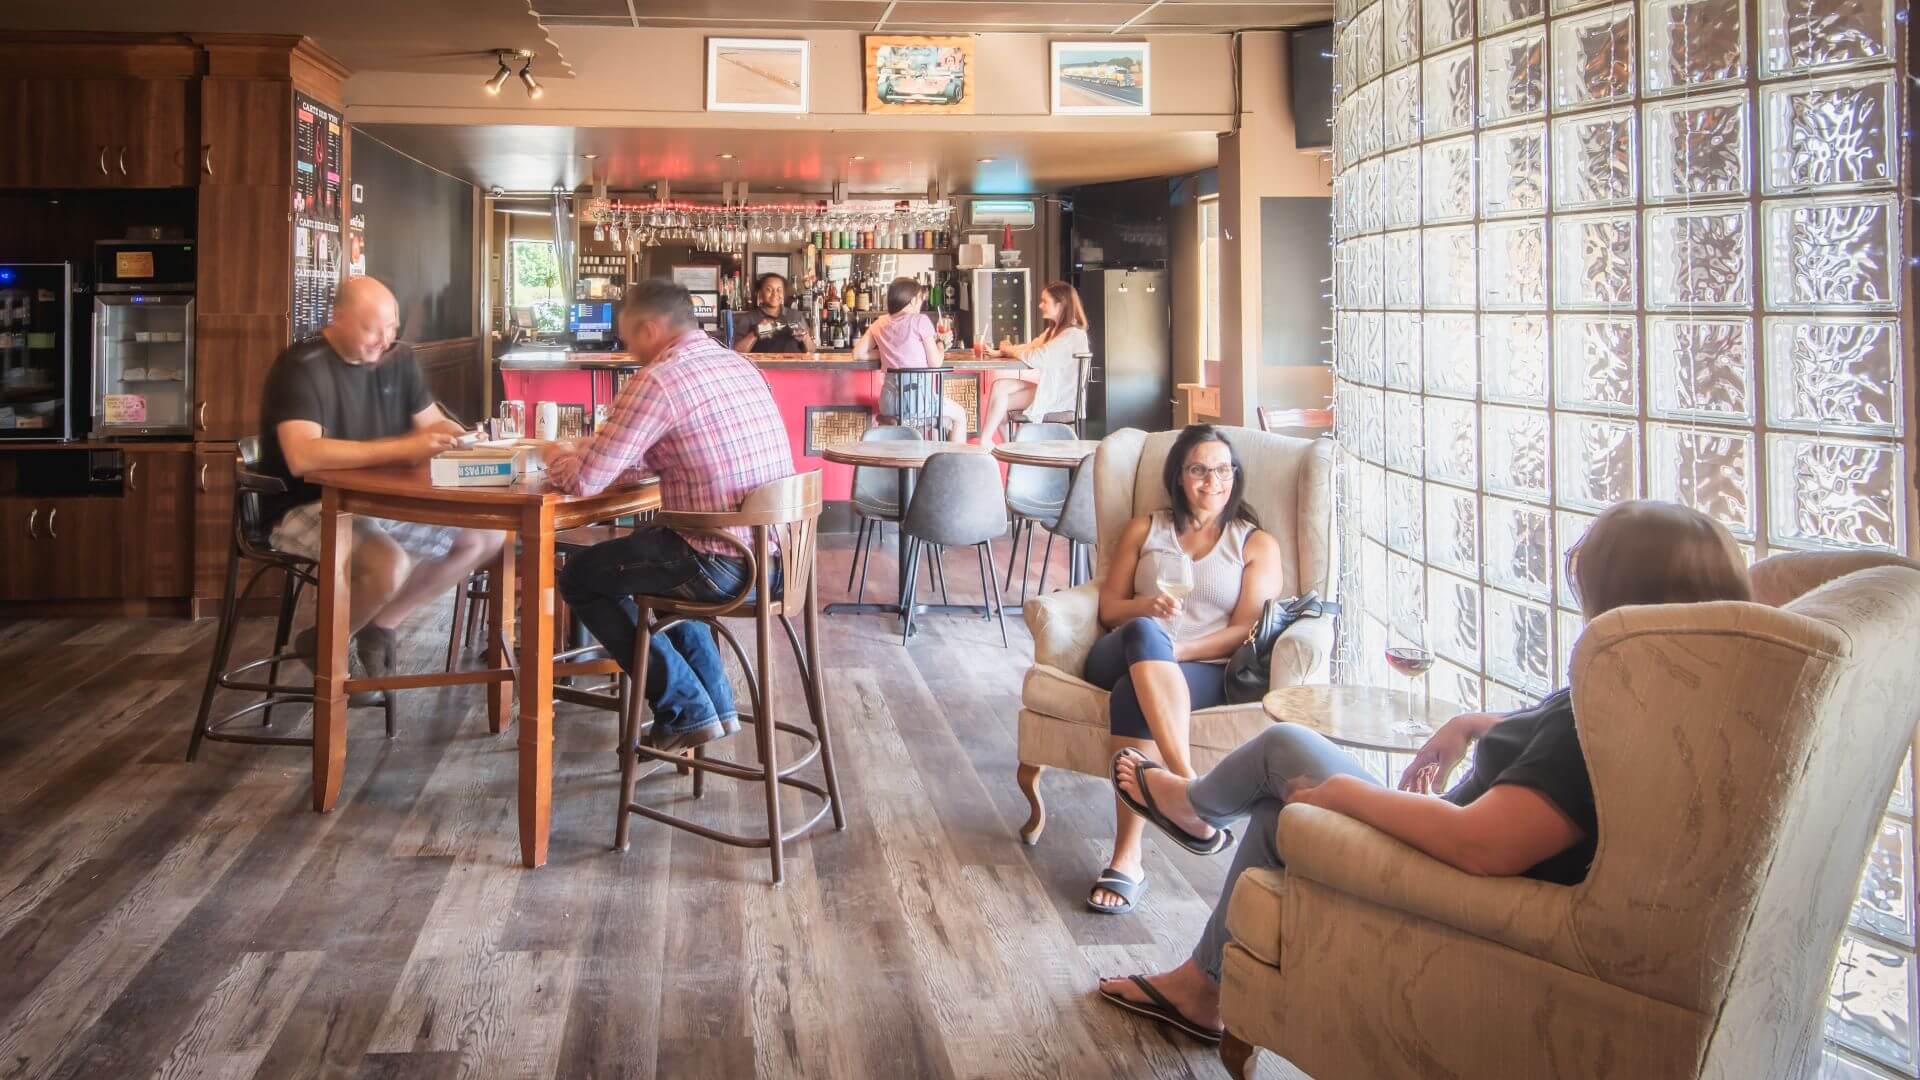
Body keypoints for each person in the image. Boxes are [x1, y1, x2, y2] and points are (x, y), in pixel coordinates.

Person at [1096, 500, 1754, 1043]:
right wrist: (1474, 724)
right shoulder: (1671, 696)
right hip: (1452, 839)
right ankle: (1202, 981)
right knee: (1279, 793)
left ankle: (1196, 823)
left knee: (1282, 760)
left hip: (1441, 871)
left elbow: (1482, 844)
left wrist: (1349, 796)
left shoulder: (1594, 719)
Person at [547, 279, 795, 752]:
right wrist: (600, 455)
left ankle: (686, 708)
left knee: (581, 576)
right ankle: (713, 706)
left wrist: (554, 453)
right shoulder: (735, 361)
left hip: (723, 564)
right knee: (660, 575)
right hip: (778, 561)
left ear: (650, 328)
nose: (626, 351)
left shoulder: (659, 378)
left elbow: (583, 482)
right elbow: (657, 455)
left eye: (628, 339)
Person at [259, 276, 506, 690]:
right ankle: (325, 646)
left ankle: (381, 626)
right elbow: (303, 455)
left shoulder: (397, 359)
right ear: (336, 319)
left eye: (391, 329)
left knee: (486, 535)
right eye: (372, 329)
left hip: (381, 502)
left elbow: (431, 422)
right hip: (308, 505)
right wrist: (401, 447)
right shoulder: (301, 367)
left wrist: (461, 435)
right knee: (387, 564)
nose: (383, 340)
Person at [1081, 425, 1286, 914]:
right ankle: (1188, 783)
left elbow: (1243, 631)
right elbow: (1109, 610)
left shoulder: (1255, 544)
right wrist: (1145, 607)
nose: (1212, 481)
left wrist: (1179, 651)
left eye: (1222, 470)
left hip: (1203, 668)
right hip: (1120, 651)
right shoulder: (1144, 528)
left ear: (1235, 476)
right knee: (1144, 635)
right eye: (1198, 469)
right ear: (1178, 475)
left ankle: (1126, 860)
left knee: (1136, 690)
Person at [853, 276, 967, 443]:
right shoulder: (920, 320)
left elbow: (858, 354)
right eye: (921, 299)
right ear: (913, 300)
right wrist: (941, 344)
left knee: (943, 420)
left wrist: (888, 352)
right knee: (959, 415)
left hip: (889, 404)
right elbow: (935, 362)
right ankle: (952, 467)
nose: (921, 304)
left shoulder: (880, 322)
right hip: (918, 401)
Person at [975, 280, 1089, 445]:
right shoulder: (1055, 331)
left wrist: (1009, 350)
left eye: (1045, 301)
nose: (1040, 305)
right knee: (1000, 386)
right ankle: (1009, 448)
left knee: (1000, 404)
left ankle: (996, 445)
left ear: (1060, 305)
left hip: (1061, 397)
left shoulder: (1072, 335)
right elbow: (1031, 346)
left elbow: (1036, 357)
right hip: (1052, 389)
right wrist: (1001, 352)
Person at [729, 272, 813, 354]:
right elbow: (736, 352)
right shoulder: (748, 318)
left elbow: (812, 350)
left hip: (793, 366)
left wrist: (805, 337)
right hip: (761, 367)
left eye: (779, 290)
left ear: (783, 294)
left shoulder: (796, 316)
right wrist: (755, 333)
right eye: (769, 289)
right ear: (760, 294)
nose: (775, 293)